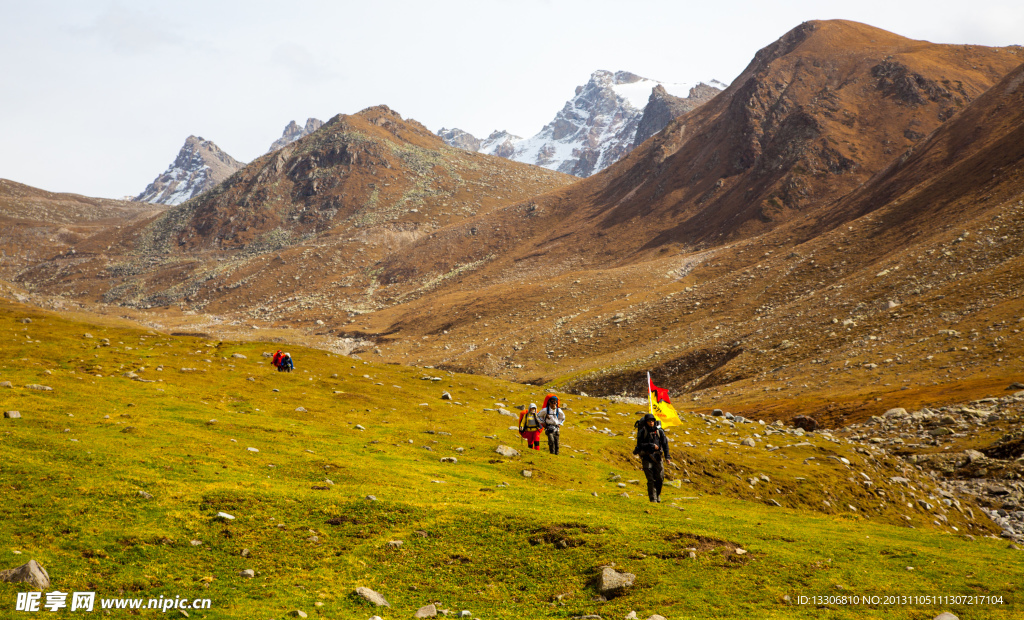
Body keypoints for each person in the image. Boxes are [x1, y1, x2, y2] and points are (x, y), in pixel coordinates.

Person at [633, 413, 671, 503]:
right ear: (646, 422)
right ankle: (652, 499)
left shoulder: (659, 431)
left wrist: (667, 457)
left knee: (660, 478)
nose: (651, 422)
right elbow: (639, 445)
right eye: (649, 421)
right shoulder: (642, 431)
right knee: (651, 479)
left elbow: (665, 444)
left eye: (652, 421)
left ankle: (657, 495)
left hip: (658, 457)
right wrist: (650, 445)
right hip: (646, 457)